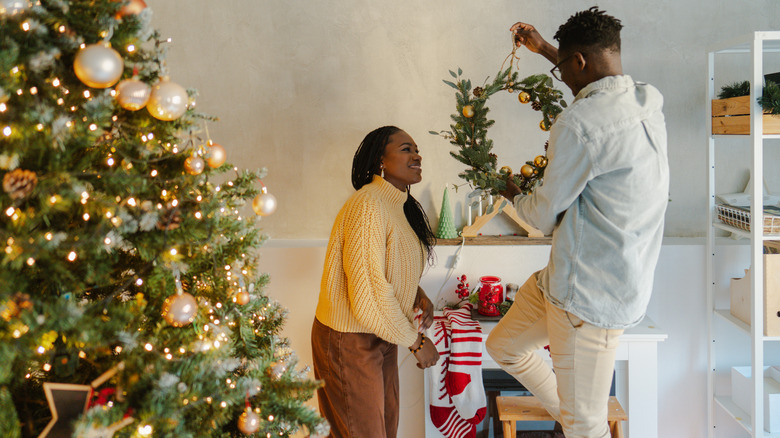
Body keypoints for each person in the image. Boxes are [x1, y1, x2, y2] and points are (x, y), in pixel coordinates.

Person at [486, 7, 669, 438]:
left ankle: (579, 422)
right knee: (504, 347)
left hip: (587, 299)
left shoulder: (578, 123)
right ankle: (574, 416)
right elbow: (595, 83)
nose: (563, 79)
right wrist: (546, 50)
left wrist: (510, 191)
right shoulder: (647, 99)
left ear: (581, 61)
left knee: (585, 428)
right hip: (567, 278)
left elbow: (540, 215)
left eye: (565, 68)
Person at [311, 126, 440, 438]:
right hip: (350, 338)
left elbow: (383, 269)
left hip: (378, 334)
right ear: (381, 159)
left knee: (376, 430)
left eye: (417, 149)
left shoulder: (397, 206)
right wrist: (417, 342)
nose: (417, 155)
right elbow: (368, 292)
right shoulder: (368, 205)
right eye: (406, 149)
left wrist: (415, 292)